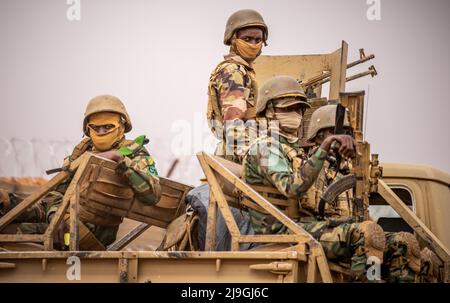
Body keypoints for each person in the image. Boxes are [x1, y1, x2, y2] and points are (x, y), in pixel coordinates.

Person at [242, 76, 386, 280]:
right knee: (365, 235)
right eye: (287, 109)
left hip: (304, 225)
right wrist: (325, 146)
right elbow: (292, 188)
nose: (296, 114)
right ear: (268, 111)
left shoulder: (293, 151)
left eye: (299, 109)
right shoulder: (264, 148)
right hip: (284, 231)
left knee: (404, 245)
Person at [0, 95, 161, 248]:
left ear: (122, 126)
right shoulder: (82, 151)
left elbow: (152, 196)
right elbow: (55, 193)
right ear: (87, 128)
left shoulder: (134, 153)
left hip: (87, 231)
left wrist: (121, 163)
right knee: (4, 200)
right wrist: (56, 215)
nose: (101, 131)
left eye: (108, 126)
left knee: (8, 231)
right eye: (96, 127)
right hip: (61, 216)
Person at [306, 104, 422, 282]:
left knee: (406, 243)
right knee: (369, 235)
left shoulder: (349, 170)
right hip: (318, 230)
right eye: (336, 132)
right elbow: (310, 206)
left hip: (347, 231)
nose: (344, 137)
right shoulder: (310, 165)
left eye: (347, 133)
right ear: (319, 135)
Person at [207, 9, 268, 163]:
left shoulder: (242, 71)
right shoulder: (233, 71)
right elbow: (234, 125)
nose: (253, 44)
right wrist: (254, 161)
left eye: (257, 40)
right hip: (239, 156)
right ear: (233, 39)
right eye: (247, 39)